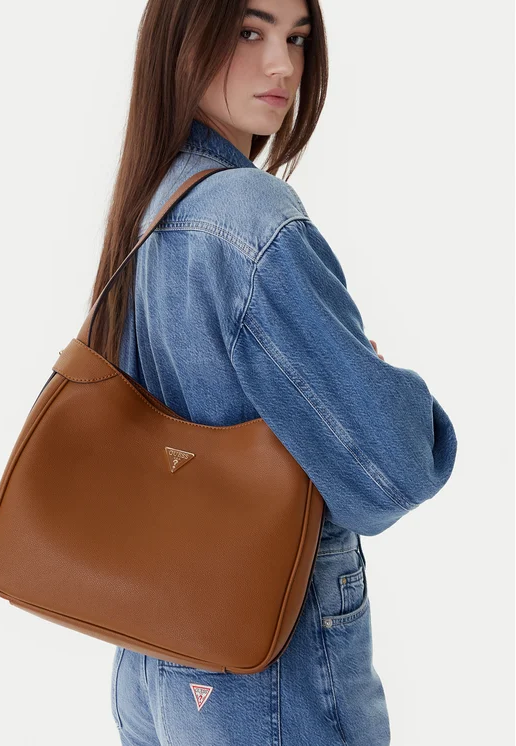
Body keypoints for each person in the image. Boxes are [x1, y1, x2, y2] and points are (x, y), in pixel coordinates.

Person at [87, 0, 458, 743]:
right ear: (183, 38)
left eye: (297, 38)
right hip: (266, 667)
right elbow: (392, 469)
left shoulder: (151, 203)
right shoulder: (249, 215)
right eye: (249, 32)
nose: (283, 65)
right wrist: (378, 380)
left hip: (153, 656)